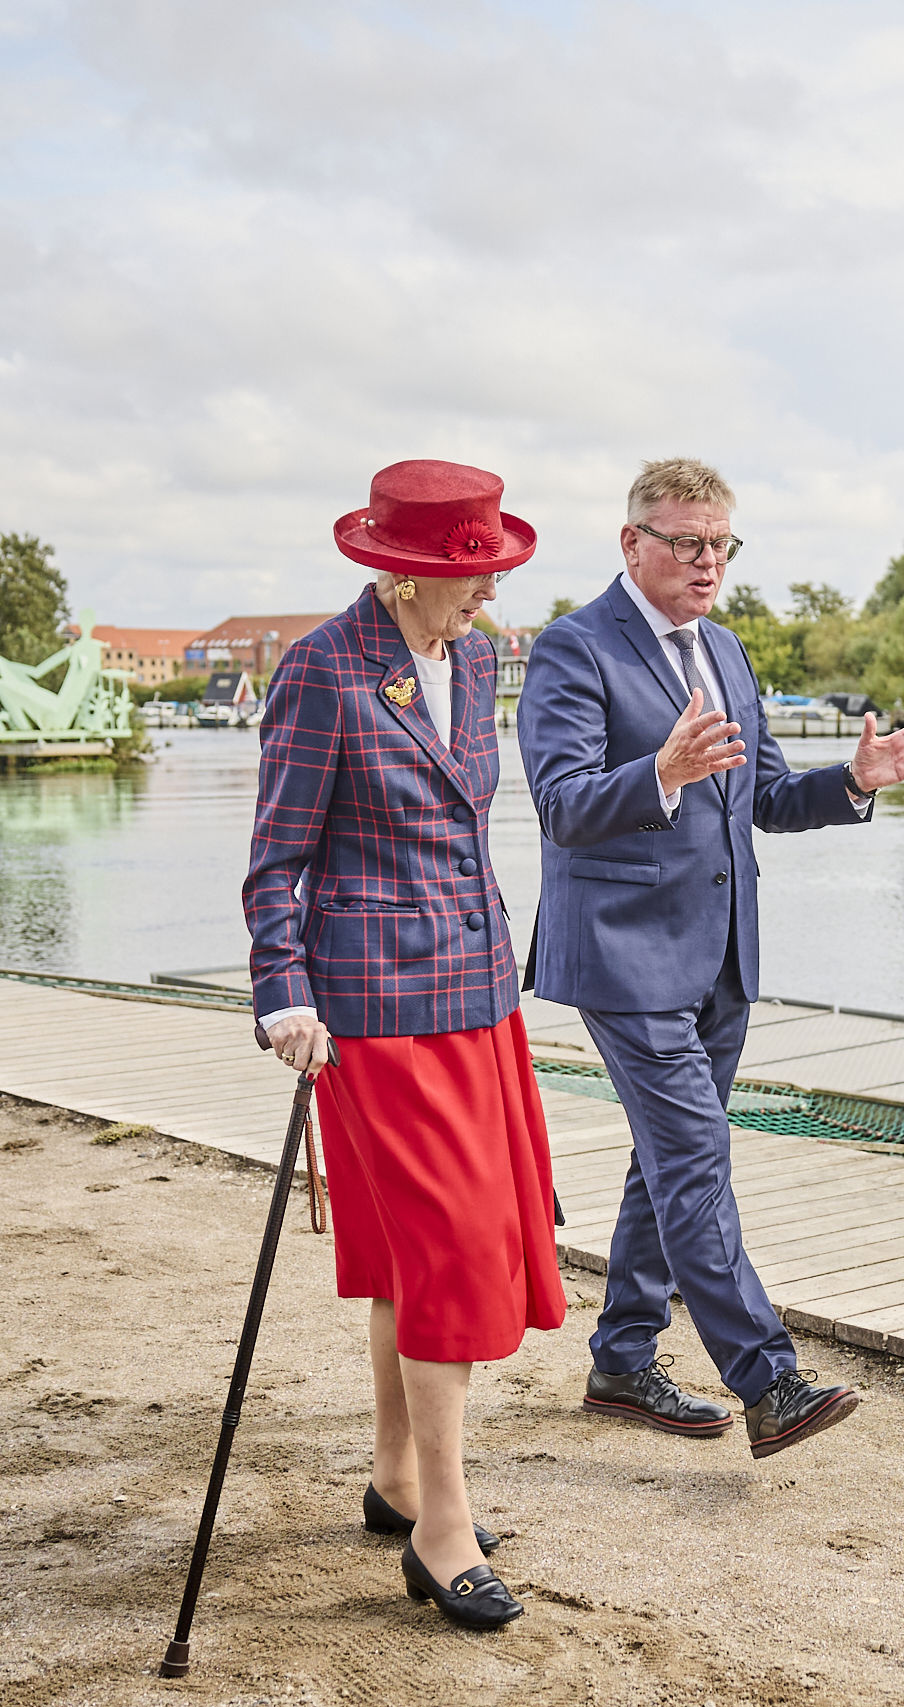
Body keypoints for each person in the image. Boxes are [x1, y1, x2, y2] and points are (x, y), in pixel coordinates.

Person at [515, 457, 904, 1459]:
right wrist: (658, 770)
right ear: (634, 544)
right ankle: (768, 1379)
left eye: (721, 544)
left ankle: (624, 1362)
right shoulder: (574, 651)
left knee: (664, 1166)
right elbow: (562, 806)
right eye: (687, 542)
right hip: (621, 954)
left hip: (720, 958)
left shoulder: (725, 649)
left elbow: (763, 799)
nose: (708, 561)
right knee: (695, 1160)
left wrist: (850, 780)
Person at [243, 458, 564, 1632]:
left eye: (489, 570)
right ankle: (442, 1528)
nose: (485, 593)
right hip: (369, 1009)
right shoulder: (322, 673)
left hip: (478, 992)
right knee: (449, 1252)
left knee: (404, 1249)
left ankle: (395, 1476)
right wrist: (281, 991)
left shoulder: (474, 658)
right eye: (465, 574)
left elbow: (464, 826)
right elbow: (277, 860)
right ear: (400, 570)